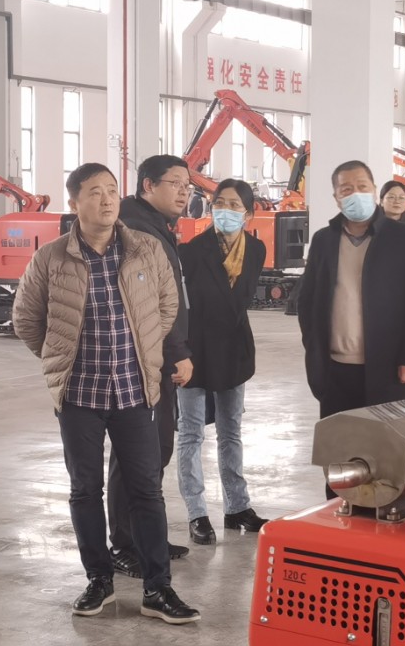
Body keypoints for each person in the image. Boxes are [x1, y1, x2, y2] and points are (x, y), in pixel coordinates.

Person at [12, 162, 200, 625]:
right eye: (95, 192)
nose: (107, 199)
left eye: (112, 190)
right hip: (80, 396)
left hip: (135, 392)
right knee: (85, 490)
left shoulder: (145, 250)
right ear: (74, 202)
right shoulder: (51, 258)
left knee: (146, 491)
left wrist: (149, 354)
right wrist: (59, 357)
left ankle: (158, 589)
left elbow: (167, 305)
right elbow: (27, 319)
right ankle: (99, 580)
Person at [298, 160, 405, 496]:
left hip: (389, 370)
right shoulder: (324, 240)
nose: (354, 193)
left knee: (387, 460)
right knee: (341, 460)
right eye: (346, 189)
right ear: (335, 197)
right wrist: (315, 351)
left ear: (374, 191)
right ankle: (339, 516)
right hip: (335, 370)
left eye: (362, 186)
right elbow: (308, 300)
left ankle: (384, 520)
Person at [111, 154, 194, 571]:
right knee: (136, 453)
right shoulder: (139, 230)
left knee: (154, 449)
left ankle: (147, 536)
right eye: (175, 183)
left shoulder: (154, 225)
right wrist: (177, 351)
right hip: (143, 359)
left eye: (187, 186)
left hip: (152, 355)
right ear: (148, 185)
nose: (184, 192)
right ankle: (126, 545)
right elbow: (155, 302)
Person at [175, 179, 269, 545]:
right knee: (191, 434)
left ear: (248, 213)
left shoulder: (256, 250)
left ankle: (237, 507)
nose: (225, 211)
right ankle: (197, 513)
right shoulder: (191, 251)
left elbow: (239, 302)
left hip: (234, 351)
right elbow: (181, 306)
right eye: (219, 203)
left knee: (231, 432)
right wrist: (179, 352)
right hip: (195, 351)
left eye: (233, 205)